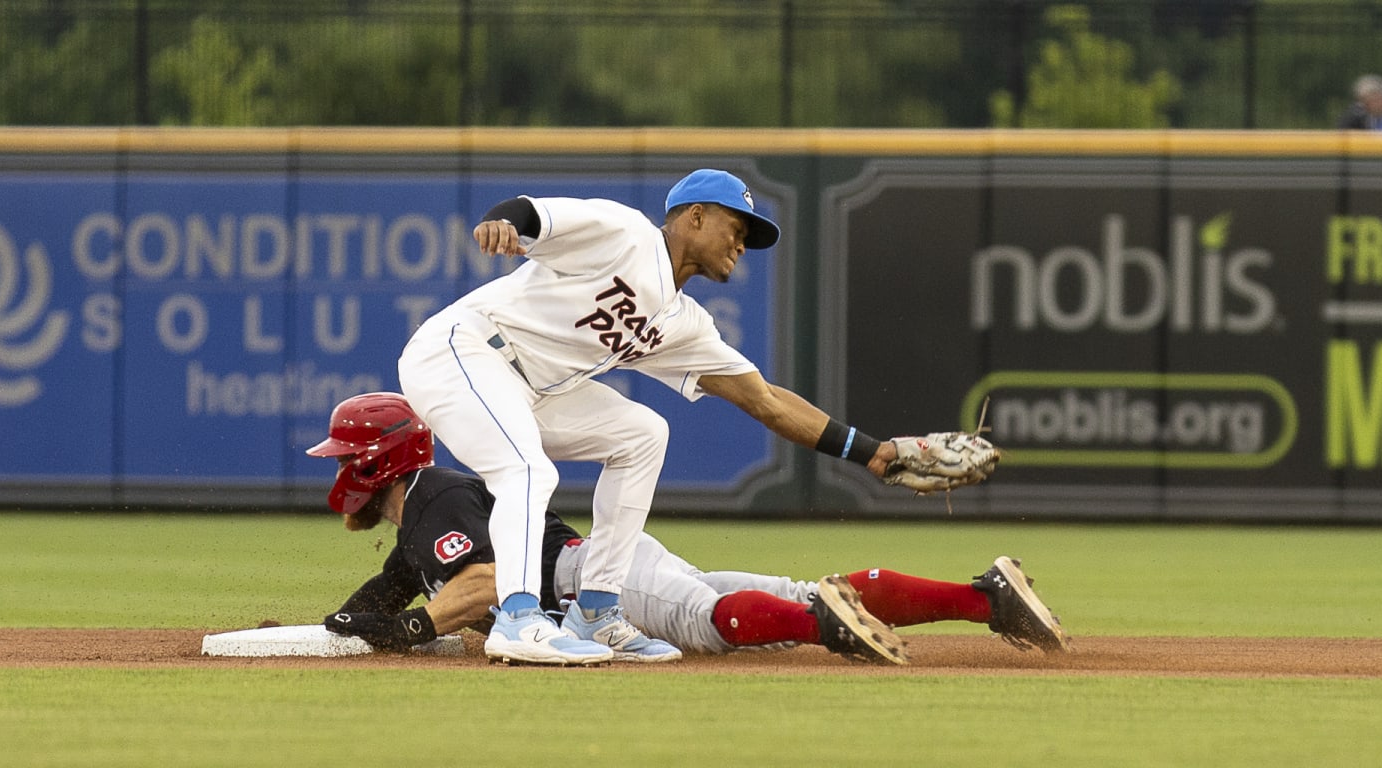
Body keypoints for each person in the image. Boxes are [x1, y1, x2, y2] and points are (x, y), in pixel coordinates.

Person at [393, 169, 999, 665]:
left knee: (642, 433)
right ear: (694, 217)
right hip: (461, 350)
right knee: (526, 471)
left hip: (533, 389)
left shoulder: (683, 324)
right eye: (737, 228)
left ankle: (598, 610)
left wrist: (876, 453)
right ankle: (519, 618)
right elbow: (532, 213)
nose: (742, 244)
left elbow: (765, 399)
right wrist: (504, 220)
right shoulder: (625, 234)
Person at [308, 393, 1067, 664]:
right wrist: (341, 627)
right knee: (797, 591)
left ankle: (819, 625)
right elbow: (388, 591)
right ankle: (985, 599)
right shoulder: (420, 521)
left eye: (347, 456)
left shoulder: (434, 495)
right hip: (613, 564)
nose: (339, 472)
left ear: (380, 464)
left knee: (712, 621)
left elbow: (478, 584)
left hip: (593, 581)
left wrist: (410, 631)